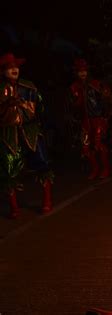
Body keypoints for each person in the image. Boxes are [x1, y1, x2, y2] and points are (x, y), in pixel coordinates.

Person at [0, 53, 54, 218]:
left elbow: (41, 108)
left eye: (16, 67)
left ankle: (47, 200)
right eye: (10, 68)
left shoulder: (29, 87)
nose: (14, 70)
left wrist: (43, 125)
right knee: (9, 169)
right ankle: (14, 207)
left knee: (41, 162)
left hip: (30, 130)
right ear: (3, 71)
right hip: (9, 133)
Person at [68, 58, 112, 179]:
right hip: (84, 121)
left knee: (98, 144)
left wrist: (105, 116)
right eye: (80, 71)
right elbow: (72, 106)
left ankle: (105, 168)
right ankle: (95, 169)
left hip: (97, 119)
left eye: (84, 70)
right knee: (86, 146)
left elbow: (106, 100)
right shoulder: (74, 87)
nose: (82, 73)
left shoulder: (95, 84)